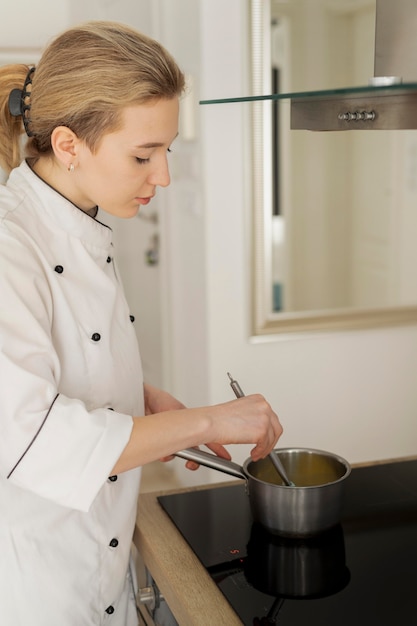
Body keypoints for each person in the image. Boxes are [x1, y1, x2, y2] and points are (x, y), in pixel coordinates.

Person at [0, 21, 283, 626]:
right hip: (39, 592)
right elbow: (31, 441)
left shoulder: (77, 217)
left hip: (99, 566)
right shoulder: (9, 248)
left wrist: (144, 399)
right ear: (69, 144)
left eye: (167, 150)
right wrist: (206, 420)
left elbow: (64, 369)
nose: (164, 176)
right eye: (142, 155)